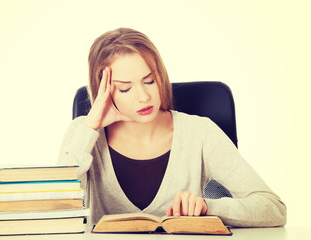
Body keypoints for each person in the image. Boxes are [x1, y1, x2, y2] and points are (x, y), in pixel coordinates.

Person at [58, 27, 286, 227]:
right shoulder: (83, 133)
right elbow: (56, 207)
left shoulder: (199, 133)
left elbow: (274, 209)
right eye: (125, 89)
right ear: (103, 90)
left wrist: (207, 207)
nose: (144, 96)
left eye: (150, 81)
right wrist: (90, 128)